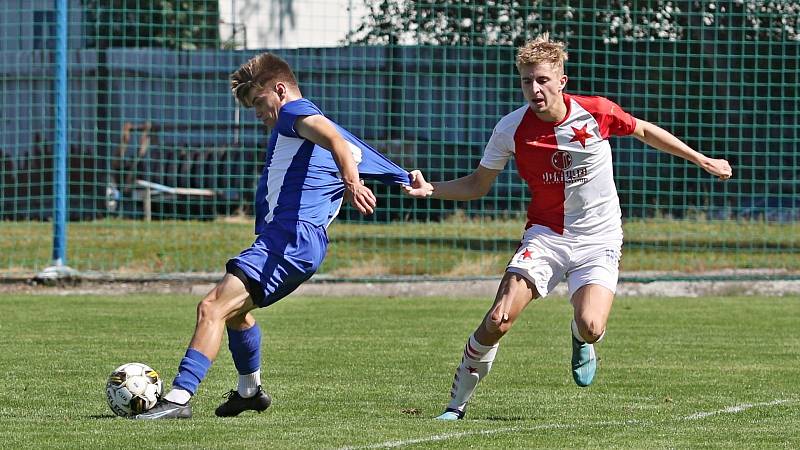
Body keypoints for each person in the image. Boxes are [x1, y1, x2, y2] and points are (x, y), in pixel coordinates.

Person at [404, 33, 732, 420]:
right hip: (546, 236)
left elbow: (643, 130)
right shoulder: (510, 129)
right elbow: (478, 184)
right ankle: (455, 406)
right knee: (498, 319)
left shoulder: (595, 112)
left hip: (599, 237)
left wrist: (700, 159)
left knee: (592, 325)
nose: (534, 89)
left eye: (542, 79)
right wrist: (433, 189)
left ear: (561, 80)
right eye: (527, 80)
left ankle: (581, 337)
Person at [136, 52, 415, 419]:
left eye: (257, 101)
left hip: (291, 236)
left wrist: (353, 182)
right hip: (291, 239)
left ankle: (178, 399)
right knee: (236, 316)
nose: (256, 112)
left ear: (279, 90)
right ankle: (249, 392)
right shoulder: (297, 124)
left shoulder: (293, 113)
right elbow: (353, 147)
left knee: (211, 307)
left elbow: (337, 141)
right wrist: (407, 179)